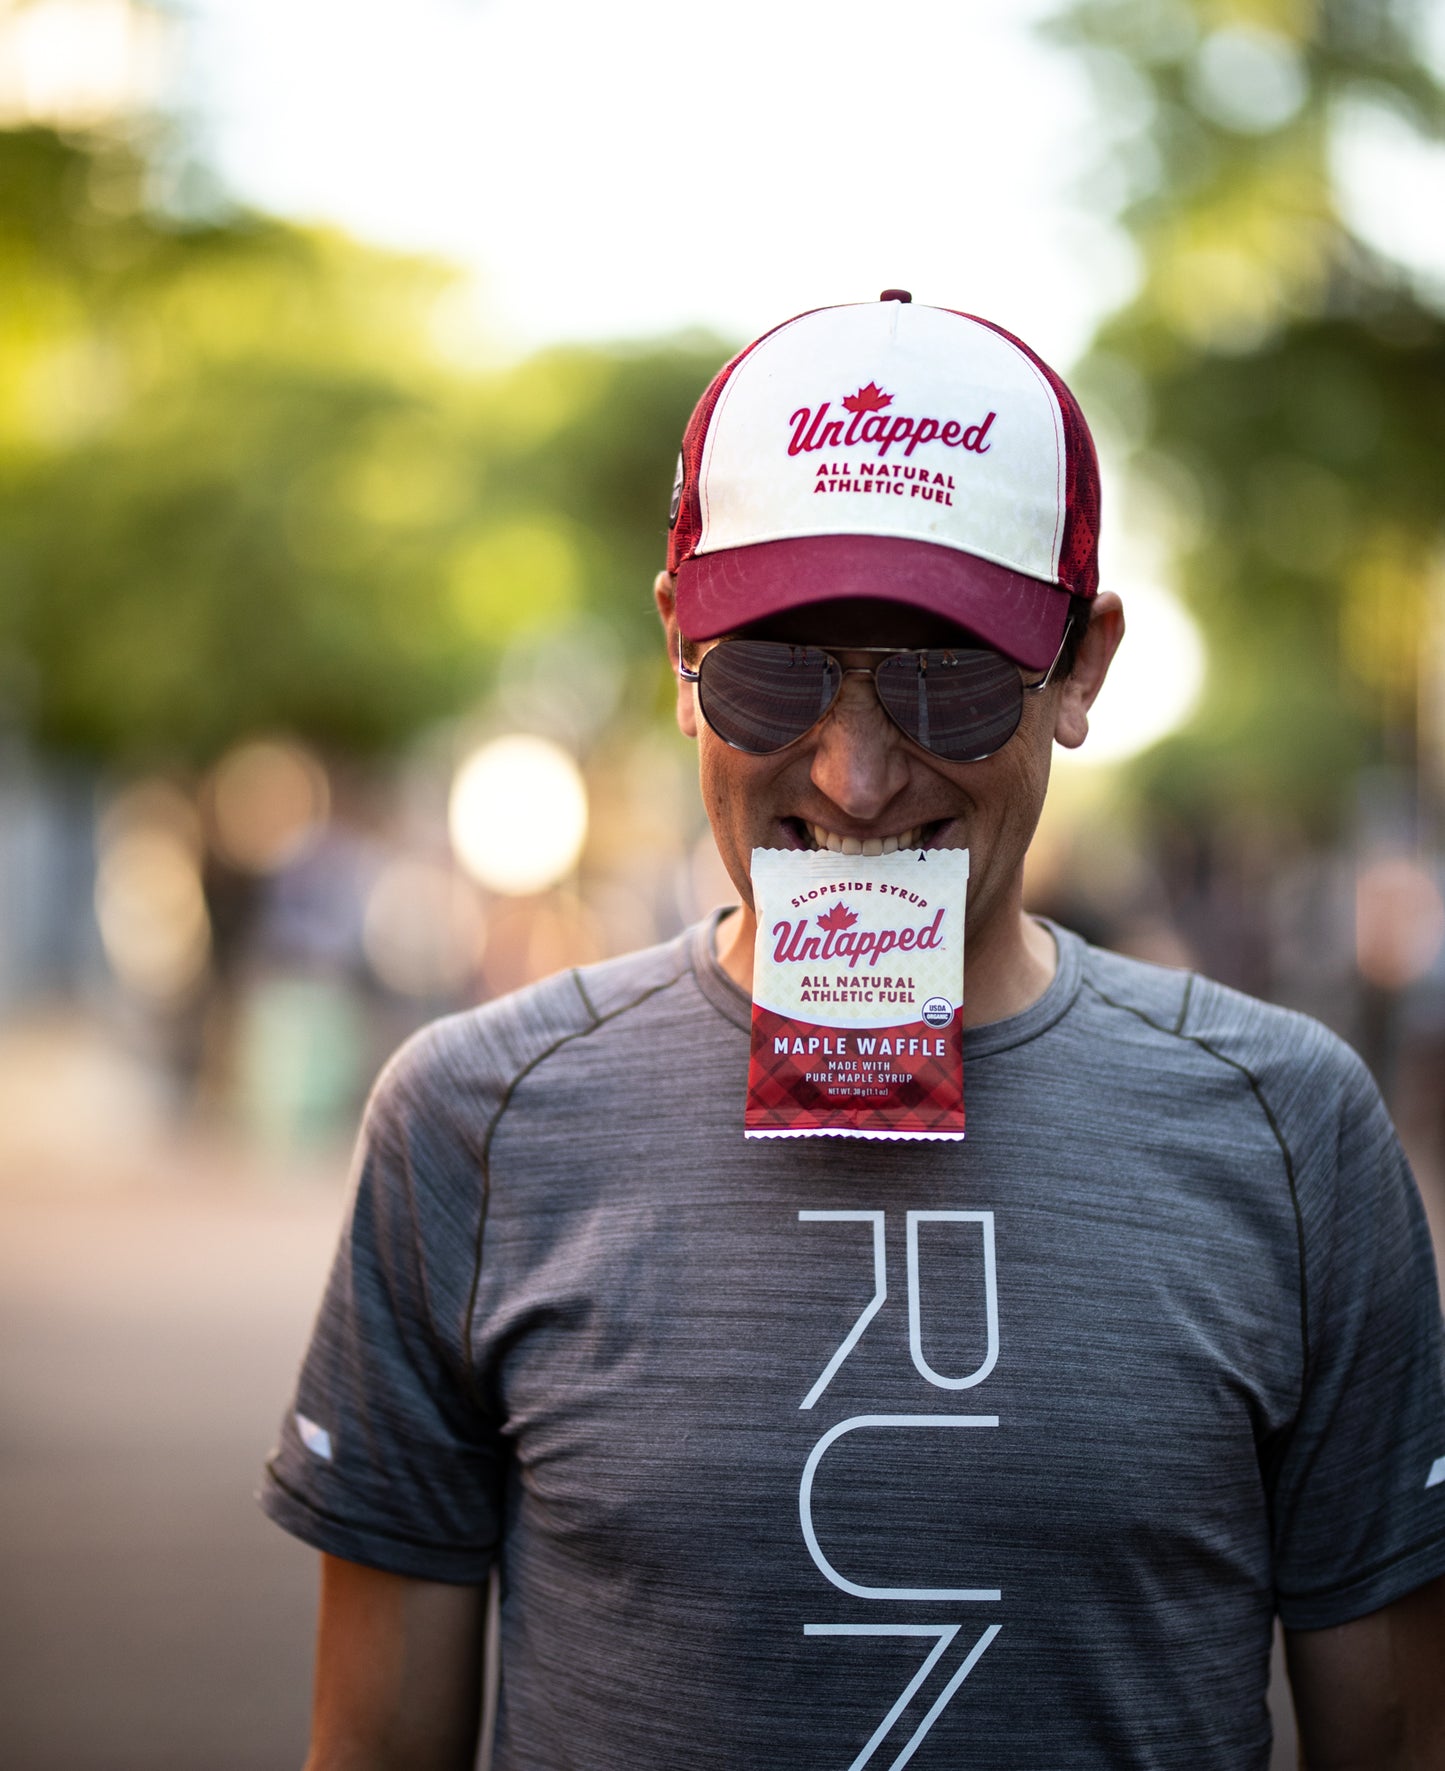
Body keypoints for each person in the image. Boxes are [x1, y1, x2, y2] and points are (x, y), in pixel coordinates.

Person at [260, 293, 1445, 1770]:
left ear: (1078, 667)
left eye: (947, 674)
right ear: (678, 656)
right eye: (773, 671)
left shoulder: (1289, 1133)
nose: (858, 775)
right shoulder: (474, 1121)